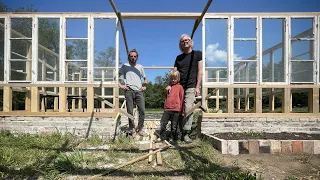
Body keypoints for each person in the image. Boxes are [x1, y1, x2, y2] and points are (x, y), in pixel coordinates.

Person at [166, 34, 203, 143]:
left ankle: (186, 133)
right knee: (177, 109)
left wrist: (197, 86)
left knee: (188, 108)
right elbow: (174, 72)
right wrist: (169, 84)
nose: (185, 42)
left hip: (191, 86)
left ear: (191, 42)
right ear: (180, 44)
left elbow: (200, 71)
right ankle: (176, 131)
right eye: (183, 41)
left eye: (187, 40)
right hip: (178, 86)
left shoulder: (197, 54)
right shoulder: (179, 58)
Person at [119, 49, 148, 136]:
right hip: (129, 90)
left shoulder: (140, 67)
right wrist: (121, 85)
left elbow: (145, 79)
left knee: (142, 110)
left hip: (139, 91)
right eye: (131, 56)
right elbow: (118, 77)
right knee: (130, 111)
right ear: (129, 57)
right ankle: (132, 129)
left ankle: (140, 128)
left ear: (137, 57)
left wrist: (144, 86)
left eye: (135, 56)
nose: (133, 58)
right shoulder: (124, 66)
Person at [159, 70, 184, 142]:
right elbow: (166, 98)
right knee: (163, 123)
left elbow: (182, 99)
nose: (173, 80)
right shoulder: (168, 87)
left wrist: (182, 110)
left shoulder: (180, 87)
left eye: (175, 79)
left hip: (176, 109)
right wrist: (166, 91)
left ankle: (173, 138)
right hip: (167, 109)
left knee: (174, 125)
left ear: (178, 79)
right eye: (172, 78)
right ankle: (162, 137)